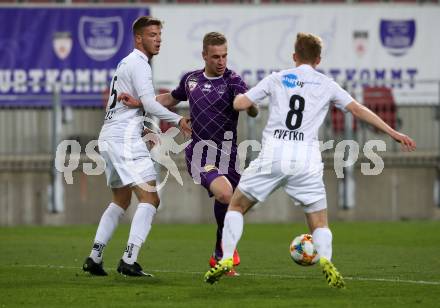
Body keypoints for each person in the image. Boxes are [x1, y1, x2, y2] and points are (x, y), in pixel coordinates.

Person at [204, 32, 416, 287]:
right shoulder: (326, 84)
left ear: (294, 56)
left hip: (274, 153)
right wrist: (393, 132)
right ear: (318, 59)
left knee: (236, 206)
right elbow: (358, 110)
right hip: (306, 159)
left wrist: (237, 98)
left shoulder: (277, 78)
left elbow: (240, 104)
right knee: (319, 222)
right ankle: (326, 259)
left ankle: (226, 258)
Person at [119, 32, 258, 276]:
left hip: (229, 154)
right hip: (200, 152)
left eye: (225, 56)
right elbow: (169, 99)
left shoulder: (234, 80)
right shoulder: (191, 80)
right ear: (204, 55)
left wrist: (252, 104)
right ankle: (226, 252)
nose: (221, 61)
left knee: (235, 205)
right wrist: (139, 102)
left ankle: (219, 254)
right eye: (215, 56)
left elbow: (251, 109)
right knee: (225, 194)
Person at [82, 16, 191, 277]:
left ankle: (95, 257)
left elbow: (138, 103)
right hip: (124, 139)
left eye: (159, 36)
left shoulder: (125, 63)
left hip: (110, 135)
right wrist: (179, 120)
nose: (158, 40)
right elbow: (151, 103)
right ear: (139, 38)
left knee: (121, 199)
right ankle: (129, 259)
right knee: (150, 198)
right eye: (152, 35)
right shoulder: (139, 64)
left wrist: (141, 116)